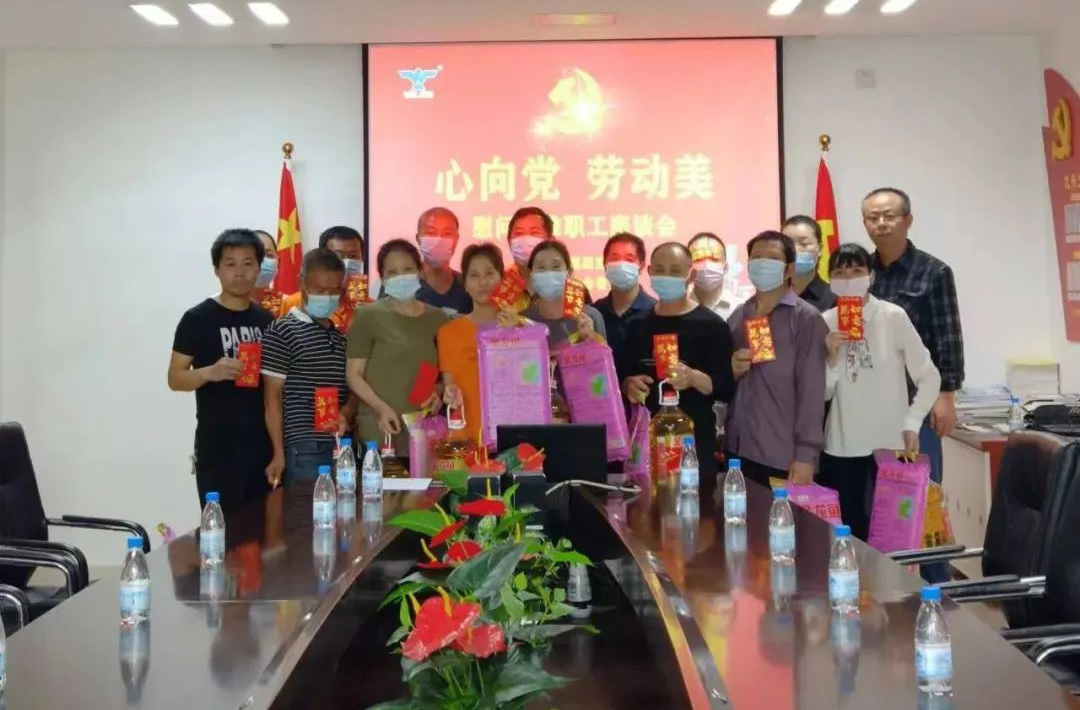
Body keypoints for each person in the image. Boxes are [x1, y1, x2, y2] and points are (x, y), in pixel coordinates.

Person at [819, 243, 941, 540]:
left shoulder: (892, 316)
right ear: (831, 280)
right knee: (848, 530)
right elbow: (822, 394)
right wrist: (831, 358)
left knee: (895, 530)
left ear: (871, 276)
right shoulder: (825, 321)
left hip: (890, 442)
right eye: (840, 273)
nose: (849, 279)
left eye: (857, 271)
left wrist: (912, 422)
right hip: (843, 443)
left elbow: (929, 376)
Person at [863, 187, 964, 532]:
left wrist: (946, 396)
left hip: (915, 407)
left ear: (908, 220)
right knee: (876, 503)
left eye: (889, 216)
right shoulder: (862, 273)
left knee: (918, 502)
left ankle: (929, 569)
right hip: (870, 407)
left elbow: (948, 335)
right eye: (872, 217)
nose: (881, 223)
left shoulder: (933, 272)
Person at [168, 228, 274, 511]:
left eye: (248, 263)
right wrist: (209, 373)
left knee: (262, 529)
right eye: (230, 264)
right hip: (218, 448)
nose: (239, 272)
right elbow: (175, 378)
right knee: (221, 529)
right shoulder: (197, 318)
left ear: (258, 268)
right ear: (217, 269)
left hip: (262, 447)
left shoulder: (266, 320)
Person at [621, 242, 735, 488]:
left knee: (695, 506)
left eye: (675, 271)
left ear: (690, 275)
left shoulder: (712, 325)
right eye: (660, 270)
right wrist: (628, 384)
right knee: (646, 507)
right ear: (649, 272)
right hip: (646, 443)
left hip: (694, 443)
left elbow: (726, 388)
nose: (666, 276)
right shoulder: (636, 325)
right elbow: (624, 377)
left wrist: (693, 378)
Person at [726, 230, 829, 487]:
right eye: (756, 257)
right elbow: (724, 382)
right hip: (737, 449)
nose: (762, 263)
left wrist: (806, 455)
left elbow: (812, 391)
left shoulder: (806, 319)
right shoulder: (739, 316)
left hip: (782, 455)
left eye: (772, 258)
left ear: (789, 268)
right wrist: (731, 369)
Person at [262, 248, 356, 487]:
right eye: (320, 290)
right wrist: (278, 453)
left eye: (334, 290)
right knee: (307, 509)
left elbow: (352, 389)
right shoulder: (282, 330)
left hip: (341, 445)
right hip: (303, 447)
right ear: (302, 283)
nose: (328, 297)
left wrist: (345, 414)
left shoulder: (340, 337)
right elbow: (272, 398)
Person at [346, 239, 448, 456]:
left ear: (420, 272)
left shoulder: (438, 318)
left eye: (408, 269)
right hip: (379, 427)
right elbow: (354, 375)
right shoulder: (368, 316)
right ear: (382, 278)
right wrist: (381, 409)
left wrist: (437, 392)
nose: (401, 276)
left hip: (423, 428)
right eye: (392, 272)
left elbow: (441, 373)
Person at [437, 243, 505, 442]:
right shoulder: (448, 333)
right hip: (466, 440)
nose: (483, 282)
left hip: (511, 440)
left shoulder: (520, 330)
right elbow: (450, 385)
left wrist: (513, 332)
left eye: (489, 273)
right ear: (465, 284)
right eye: (474, 275)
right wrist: (449, 393)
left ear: (502, 278)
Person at [593, 232, 656, 375]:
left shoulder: (656, 312)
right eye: (614, 258)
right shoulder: (594, 314)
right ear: (605, 265)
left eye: (629, 259)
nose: (621, 265)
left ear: (641, 266)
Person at [281, 226, 367, 331]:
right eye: (337, 256)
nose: (346, 263)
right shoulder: (293, 303)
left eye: (353, 256)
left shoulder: (369, 307)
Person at [522, 240, 606, 347]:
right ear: (530, 274)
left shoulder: (590, 316)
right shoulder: (522, 321)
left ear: (569, 272)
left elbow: (603, 356)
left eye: (556, 267)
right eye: (541, 268)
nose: (549, 273)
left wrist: (591, 337)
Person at [506, 206, 592, 306]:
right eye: (519, 233)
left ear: (550, 240)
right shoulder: (500, 287)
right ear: (509, 241)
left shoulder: (573, 291)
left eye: (534, 233)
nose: (526, 239)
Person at [413, 207, 473, 316]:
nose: (439, 240)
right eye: (431, 233)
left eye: (447, 233)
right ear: (418, 239)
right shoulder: (402, 284)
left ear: (456, 239)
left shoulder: (468, 286)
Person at [783, 215, 836, 313]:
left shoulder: (834, 299)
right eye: (788, 244)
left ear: (819, 249)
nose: (794, 250)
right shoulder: (769, 296)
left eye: (804, 244)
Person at [688, 232, 743, 320]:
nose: (706, 265)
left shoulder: (743, 310)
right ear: (688, 268)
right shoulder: (673, 311)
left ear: (725, 268)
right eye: (698, 259)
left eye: (714, 259)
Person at [251, 229, 288, 315]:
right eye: (254, 255)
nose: (261, 261)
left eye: (269, 255)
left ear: (278, 262)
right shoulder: (223, 305)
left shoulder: (288, 304)